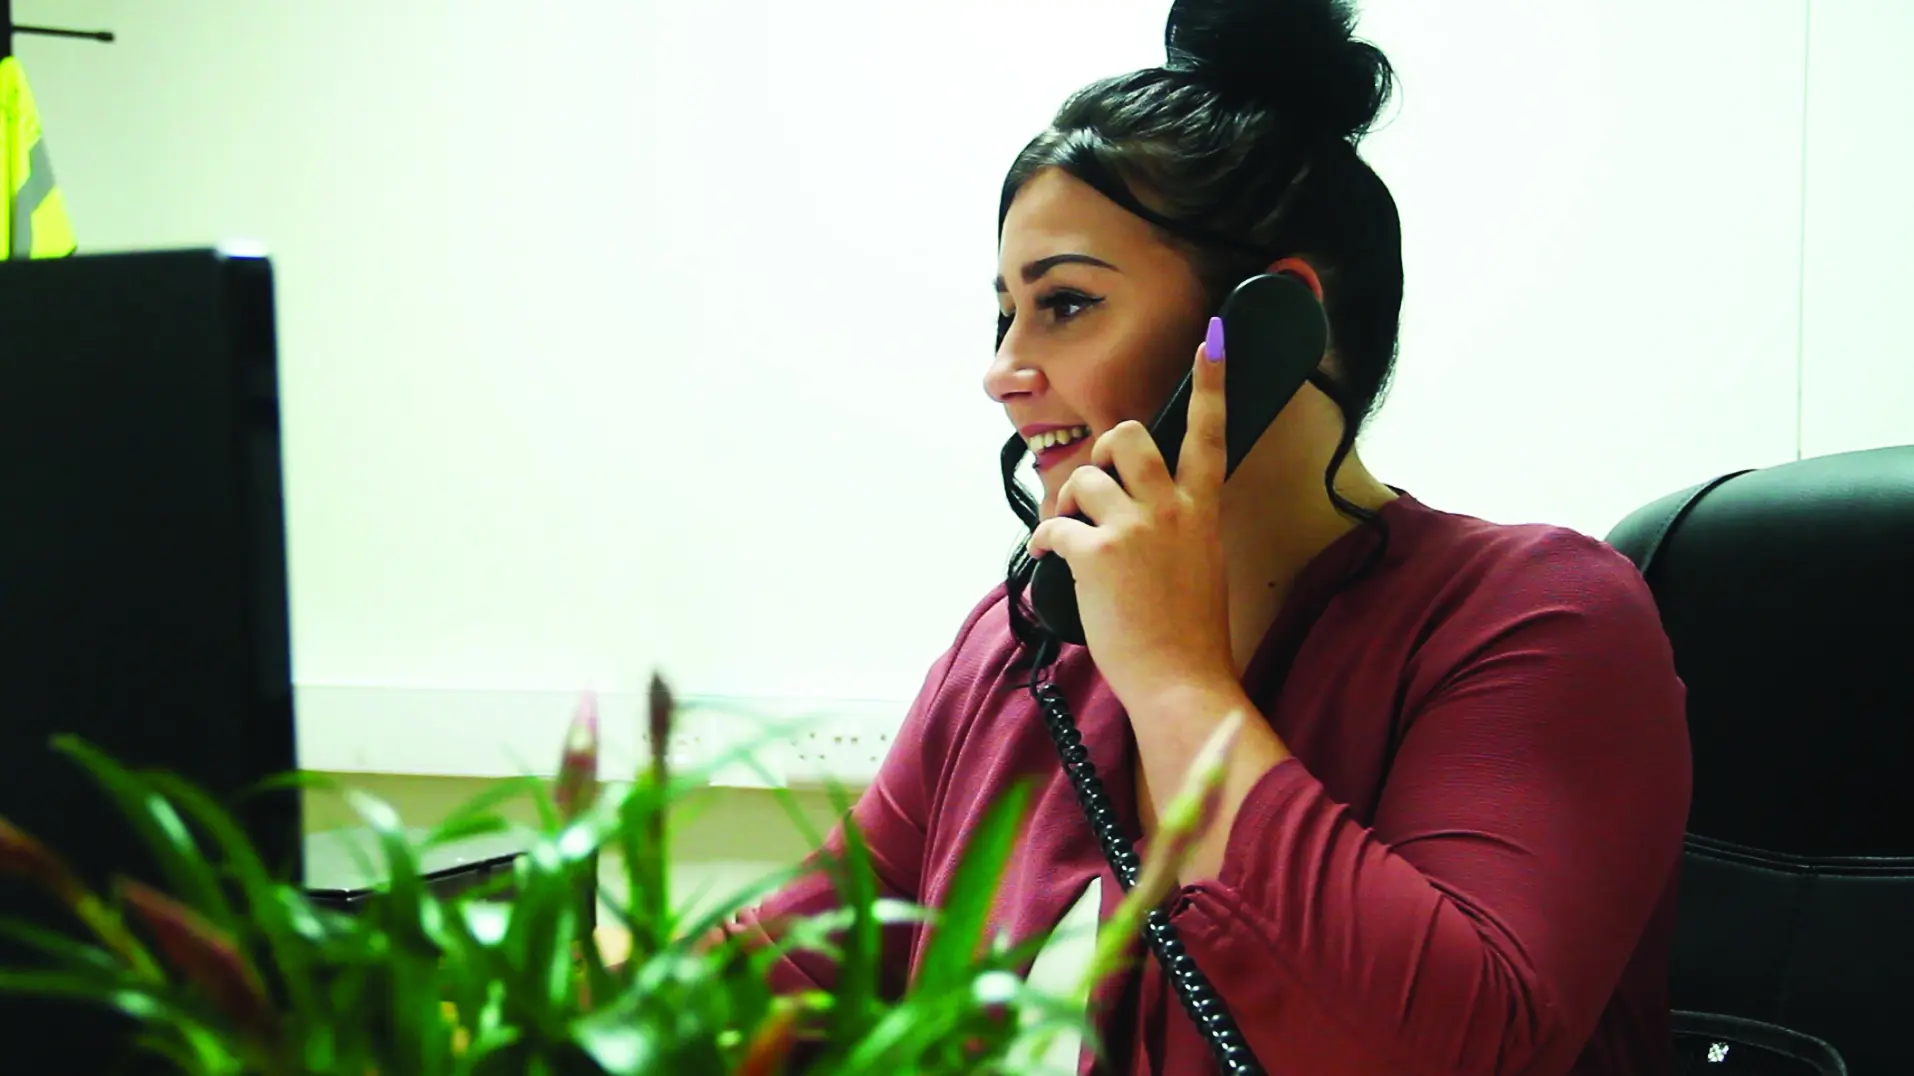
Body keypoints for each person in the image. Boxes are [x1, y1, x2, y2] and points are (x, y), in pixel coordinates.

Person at [728, 0, 1693, 1072]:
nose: (1002, 370)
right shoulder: (1019, 653)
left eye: (1067, 304)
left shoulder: (1539, 615)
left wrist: (1177, 682)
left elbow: (1451, 1047)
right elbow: (774, 983)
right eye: (1004, 311)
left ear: (1268, 321)